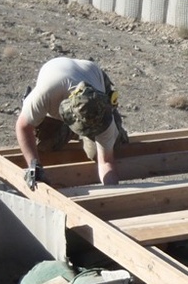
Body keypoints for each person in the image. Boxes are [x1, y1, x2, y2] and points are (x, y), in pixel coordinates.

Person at [16, 57, 126, 188]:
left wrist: (111, 191)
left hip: (92, 73)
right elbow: (23, 127)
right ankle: (68, 131)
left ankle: (86, 134)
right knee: (44, 146)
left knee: (99, 151)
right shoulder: (46, 94)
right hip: (56, 74)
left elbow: (106, 162)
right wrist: (34, 166)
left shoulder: (104, 117)